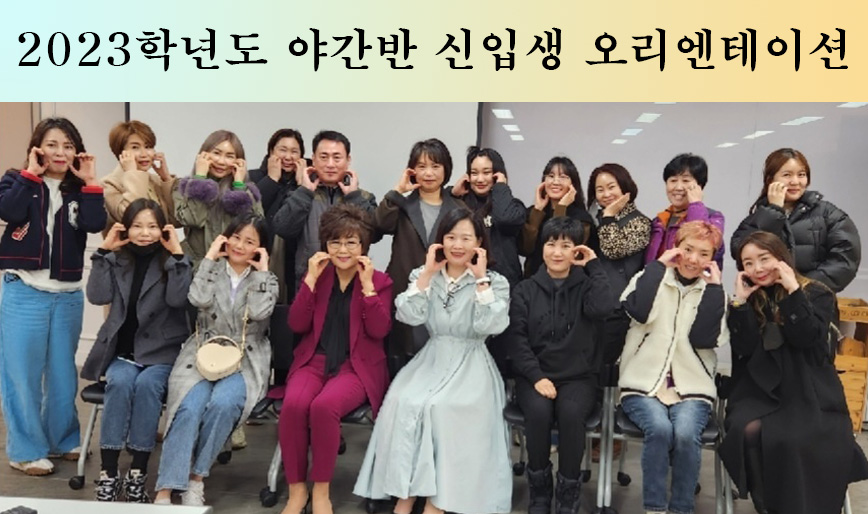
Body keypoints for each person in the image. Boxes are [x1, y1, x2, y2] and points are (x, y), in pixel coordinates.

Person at [354, 208, 513, 514]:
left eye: (466, 238)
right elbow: (408, 315)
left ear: (479, 243)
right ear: (440, 241)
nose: (458, 245)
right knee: (402, 400)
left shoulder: (495, 281)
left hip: (472, 363)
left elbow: (491, 326)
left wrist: (481, 282)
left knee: (442, 408)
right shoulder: (423, 275)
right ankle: (405, 495)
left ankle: (436, 502)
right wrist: (427, 274)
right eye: (451, 237)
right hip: (432, 358)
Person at [719, 231, 868, 514]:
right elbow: (744, 349)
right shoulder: (750, 299)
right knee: (745, 429)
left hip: (808, 388)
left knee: (797, 437)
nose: (757, 268)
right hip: (758, 390)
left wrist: (793, 293)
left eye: (764, 258)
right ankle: (768, 504)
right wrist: (740, 303)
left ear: (782, 257)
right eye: (748, 263)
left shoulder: (817, 293)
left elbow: (807, 339)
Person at [0, 117, 106, 476]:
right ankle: (25, 450)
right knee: (22, 376)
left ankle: (62, 440)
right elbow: (9, 212)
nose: (60, 152)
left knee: (63, 375)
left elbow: (94, 224)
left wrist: (90, 182)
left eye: (68, 145)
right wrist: (31, 174)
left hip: (67, 296)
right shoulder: (16, 179)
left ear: (77, 151)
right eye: (52, 144)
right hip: (24, 292)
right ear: (37, 148)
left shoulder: (81, 189)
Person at [154, 215, 278, 506]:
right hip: (202, 350)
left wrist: (261, 272)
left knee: (224, 404)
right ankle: (166, 487)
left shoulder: (267, 279)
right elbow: (197, 299)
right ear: (226, 238)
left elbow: (259, 313)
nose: (240, 245)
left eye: (249, 241)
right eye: (236, 237)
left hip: (246, 358)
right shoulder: (210, 269)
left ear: (260, 248)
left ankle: (196, 479)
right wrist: (210, 257)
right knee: (188, 406)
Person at [279, 205, 392, 514]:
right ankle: (296, 491)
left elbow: (379, 330)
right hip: (314, 362)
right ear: (325, 245)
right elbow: (297, 324)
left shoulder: (380, 280)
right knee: (293, 405)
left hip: (355, 367)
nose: (343, 250)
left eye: (351, 242)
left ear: (363, 245)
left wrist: (367, 289)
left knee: (324, 406)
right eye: (335, 242)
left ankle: (321, 491)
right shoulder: (317, 275)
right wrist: (309, 282)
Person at [82, 199, 192, 502]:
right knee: (119, 382)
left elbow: (178, 300)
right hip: (124, 352)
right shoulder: (117, 259)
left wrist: (177, 255)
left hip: (161, 353)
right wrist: (103, 252)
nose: (145, 233)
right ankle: (108, 472)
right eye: (138, 226)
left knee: (147, 386)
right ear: (125, 228)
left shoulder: (174, 261)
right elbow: (97, 296)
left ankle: (138, 472)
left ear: (164, 229)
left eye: (152, 226)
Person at [619, 220, 729, 514]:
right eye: (688, 249)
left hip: (693, 388)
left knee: (684, 434)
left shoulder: (714, 292)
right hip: (642, 384)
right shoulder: (649, 276)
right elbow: (638, 313)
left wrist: (714, 290)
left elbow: (706, 339)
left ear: (712, 259)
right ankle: (655, 508)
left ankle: (681, 509)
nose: (693, 259)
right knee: (658, 429)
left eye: (703, 254)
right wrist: (658, 267)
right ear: (675, 247)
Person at [507, 217, 615, 514]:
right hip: (535, 375)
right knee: (538, 412)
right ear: (542, 248)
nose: (557, 252)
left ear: (577, 251)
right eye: (551, 244)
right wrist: (536, 377)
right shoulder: (525, 290)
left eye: (566, 246)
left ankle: (568, 493)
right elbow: (516, 339)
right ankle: (540, 492)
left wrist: (594, 266)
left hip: (578, 377)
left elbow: (604, 307)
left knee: (570, 414)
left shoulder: (587, 286)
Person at [374, 139, 464, 362]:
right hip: (406, 289)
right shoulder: (401, 205)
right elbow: (379, 225)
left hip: (445, 294)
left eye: (435, 166)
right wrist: (397, 191)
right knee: (403, 356)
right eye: (421, 166)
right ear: (412, 170)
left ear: (446, 169)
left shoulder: (459, 209)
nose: (428, 173)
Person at [730, 148, 861, 293]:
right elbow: (738, 250)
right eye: (787, 175)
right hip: (767, 301)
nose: (795, 182)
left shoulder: (828, 214)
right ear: (770, 180)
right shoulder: (759, 216)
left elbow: (845, 261)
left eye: (801, 175)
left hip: (813, 299)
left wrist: (802, 287)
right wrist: (773, 211)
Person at [272, 130, 377, 292]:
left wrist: (354, 197)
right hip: (310, 280)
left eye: (337, 157)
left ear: (348, 160)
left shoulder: (363, 197)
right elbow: (283, 229)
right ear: (313, 159)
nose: (330, 164)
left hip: (354, 282)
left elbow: (375, 234)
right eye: (323, 157)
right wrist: (305, 192)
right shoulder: (299, 195)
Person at [173, 130, 264, 266]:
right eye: (216, 153)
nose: (221, 161)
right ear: (204, 155)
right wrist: (200, 181)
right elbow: (193, 220)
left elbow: (253, 229)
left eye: (229, 156)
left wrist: (239, 188)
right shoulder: (184, 187)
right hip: (196, 266)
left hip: (233, 268)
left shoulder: (249, 192)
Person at [451, 146, 525, 288]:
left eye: (486, 173)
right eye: (474, 173)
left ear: (497, 174)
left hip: (504, 286)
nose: (480, 179)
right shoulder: (461, 204)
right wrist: (453, 195)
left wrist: (501, 187)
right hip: (466, 284)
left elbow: (504, 219)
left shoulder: (513, 206)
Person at [248, 128, 307, 298]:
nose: (288, 157)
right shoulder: (252, 177)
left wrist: (302, 186)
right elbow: (250, 212)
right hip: (259, 253)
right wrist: (271, 180)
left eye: (294, 152)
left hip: (293, 256)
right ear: (271, 151)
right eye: (283, 150)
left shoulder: (309, 183)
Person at [645, 153, 725, 271]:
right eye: (673, 180)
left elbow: (701, 242)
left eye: (686, 180)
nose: (678, 187)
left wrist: (696, 204)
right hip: (657, 281)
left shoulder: (714, 218)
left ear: (699, 186)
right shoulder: (659, 220)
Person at [521, 156, 594, 278]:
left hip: (567, 283)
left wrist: (561, 208)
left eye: (563, 177)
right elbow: (526, 249)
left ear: (573, 184)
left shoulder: (582, 219)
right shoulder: (533, 212)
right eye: (551, 176)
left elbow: (574, 256)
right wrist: (537, 211)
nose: (555, 182)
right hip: (533, 282)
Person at [102, 120, 177, 233]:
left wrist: (166, 179)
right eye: (135, 147)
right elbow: (133, 217)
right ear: (121, 152)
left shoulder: (155, 180)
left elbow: (176, 220)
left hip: (160, 244)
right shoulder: (109, 183)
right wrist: (132, 173)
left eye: (148, 147)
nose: (144, 154)